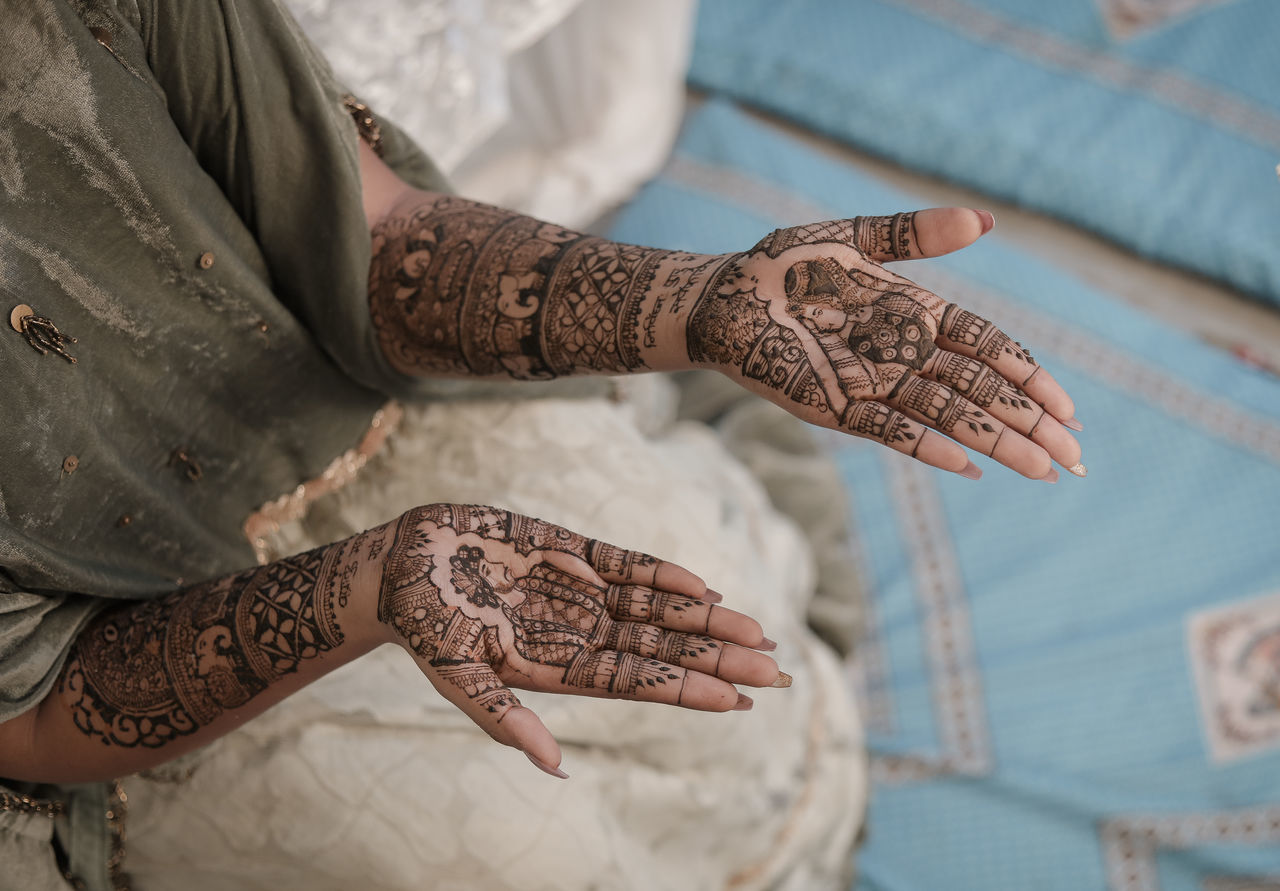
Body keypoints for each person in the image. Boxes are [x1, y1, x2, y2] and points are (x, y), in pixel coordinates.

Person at [0, 0, 1083, 888]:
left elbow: (373, 237)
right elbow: (36, 718)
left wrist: (692, 303)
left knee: (741, 693)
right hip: (132, 653)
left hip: (348, 407)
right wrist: (370, 588)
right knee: (500, 854)